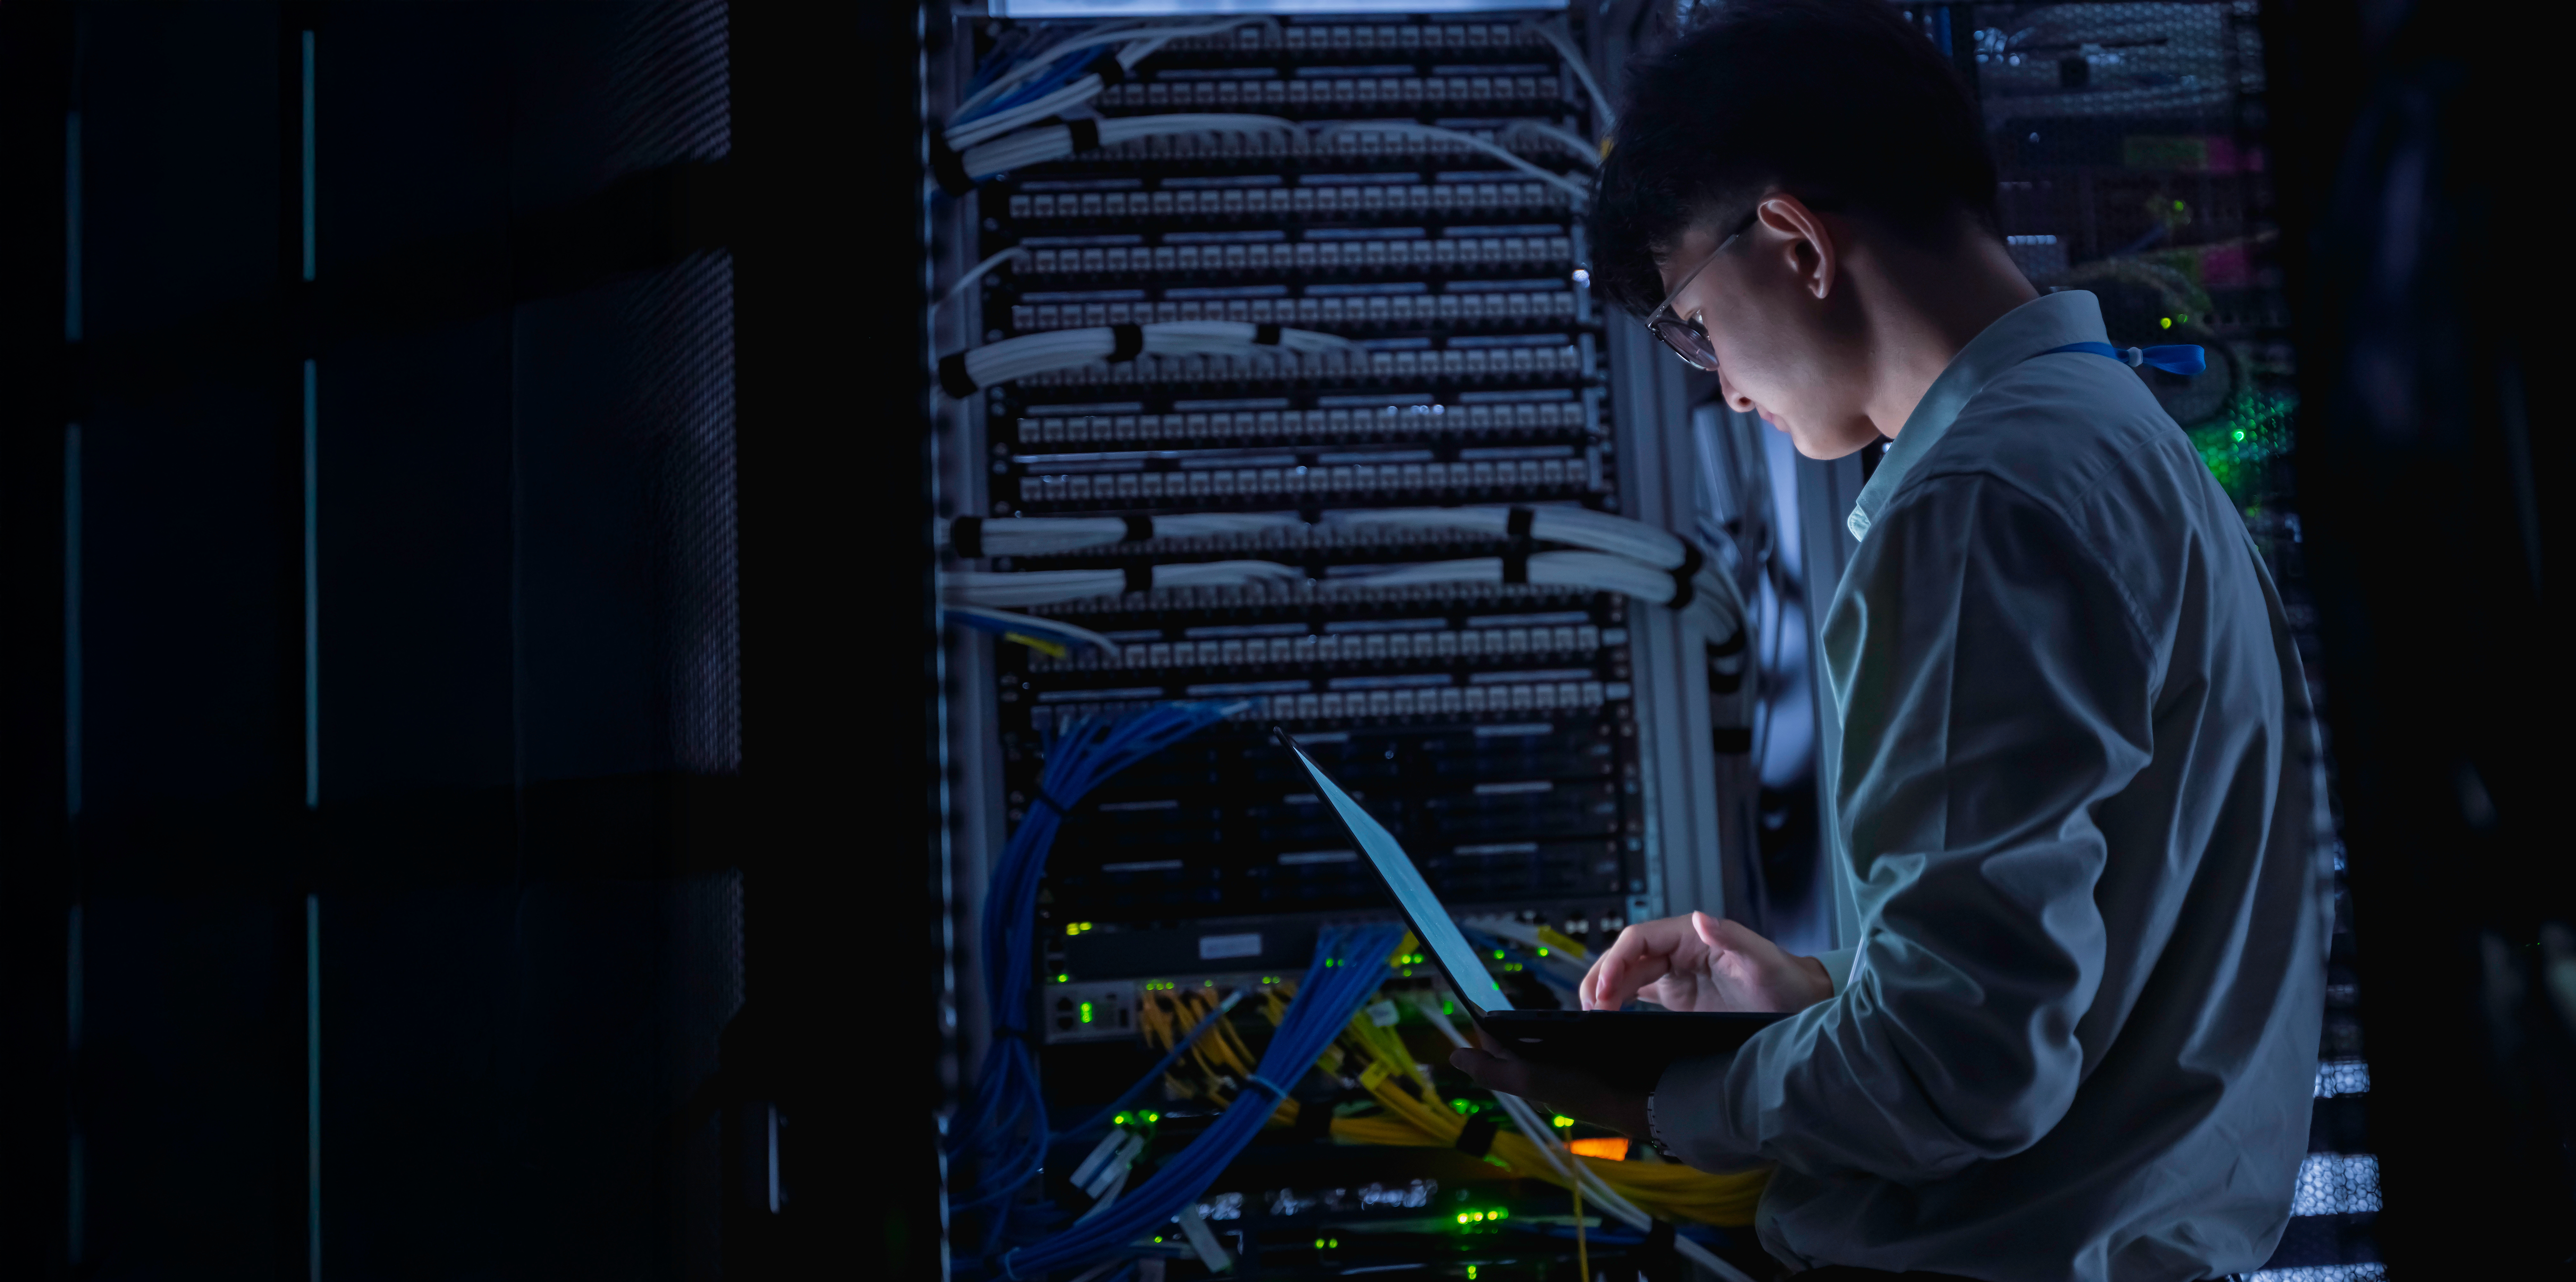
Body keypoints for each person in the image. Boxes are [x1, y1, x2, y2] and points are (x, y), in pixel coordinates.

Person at [1446, 2, 2333, 1279]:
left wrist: (1672, 1104)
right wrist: (1819, 999)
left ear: (1795, 240)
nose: (1725, 387)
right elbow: (2072, 979)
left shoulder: (1977, 503)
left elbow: (1961, 1075)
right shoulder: (2119, 446)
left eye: (1691, 325)